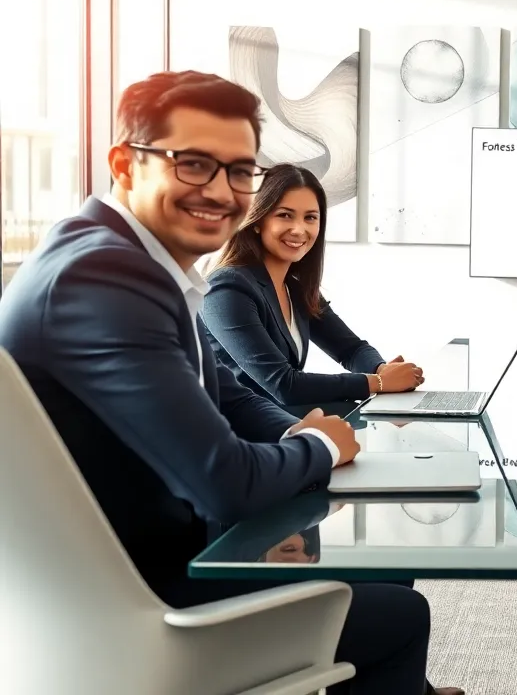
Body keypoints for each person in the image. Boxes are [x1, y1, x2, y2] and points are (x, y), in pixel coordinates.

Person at [0, 70, 462, 695]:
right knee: (402, 613)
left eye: (239, 171)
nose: (221, 191)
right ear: (125, 164)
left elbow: (227, 388)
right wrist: (323, 447)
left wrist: (299, 428)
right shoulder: (106, 280)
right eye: (193, 164)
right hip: (141, 599)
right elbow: (224, 484)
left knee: (388, 575)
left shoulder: (117, 258)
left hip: (136, 558)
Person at [202, 163, 424, 415]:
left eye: (310, 217)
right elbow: (283, 384)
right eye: (285, 215)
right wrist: (380, 383)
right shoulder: (226, 289)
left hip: (282, 418)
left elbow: (350, 349)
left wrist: (380, 369)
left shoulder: (295, 288)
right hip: (239, 432)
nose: (299, 229)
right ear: (257, 220)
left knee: (377, 421)